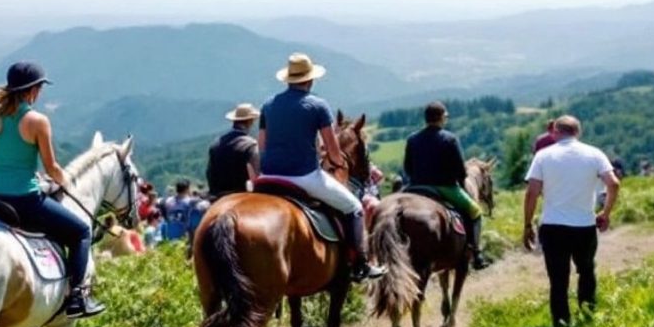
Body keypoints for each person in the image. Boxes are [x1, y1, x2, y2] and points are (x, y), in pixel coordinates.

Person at [0, 61, 104, 318]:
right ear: (32, 90)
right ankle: (78, 297)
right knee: (81, 232)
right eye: (40, 88)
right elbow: (51, 166)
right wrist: (65, 181)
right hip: (22, 199)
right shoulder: (37, 121)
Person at [258, 53, 385, 283]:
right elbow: (332, 149)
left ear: (288, 79)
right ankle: (361, 264)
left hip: (267, 177)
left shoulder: (268, 105)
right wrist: (336, 162)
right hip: (304, 177)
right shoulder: (318, 105)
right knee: (354, 207)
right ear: (310, 80)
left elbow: (262, 145)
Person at [522, 115, 620, 327]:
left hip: (553, 226)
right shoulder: (595, 154)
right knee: (586, 271)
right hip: (584, 225)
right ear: (578, 132)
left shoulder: (543, 155)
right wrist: (605, 212)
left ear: (555, 132)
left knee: (558, 280)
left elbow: (532, 193)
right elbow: (613, 183)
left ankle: (561, 324)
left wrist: (527, 224)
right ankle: (587, 318)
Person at [403, 102, 490, 270]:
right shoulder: (450, 139)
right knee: (475, 211)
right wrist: (460, 180)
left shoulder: (412, 139)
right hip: (445, 187)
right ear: (442, 117)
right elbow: (460, 170)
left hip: (415, 188)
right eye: (445, 116)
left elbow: (407, 168)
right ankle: (476, 253)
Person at [207, 103, 261, 198]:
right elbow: (255, 173)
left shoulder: (216, 143)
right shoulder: (250, 145)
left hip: (218, 195)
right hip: (242, 193)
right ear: (250, 121)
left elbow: (209, 173)